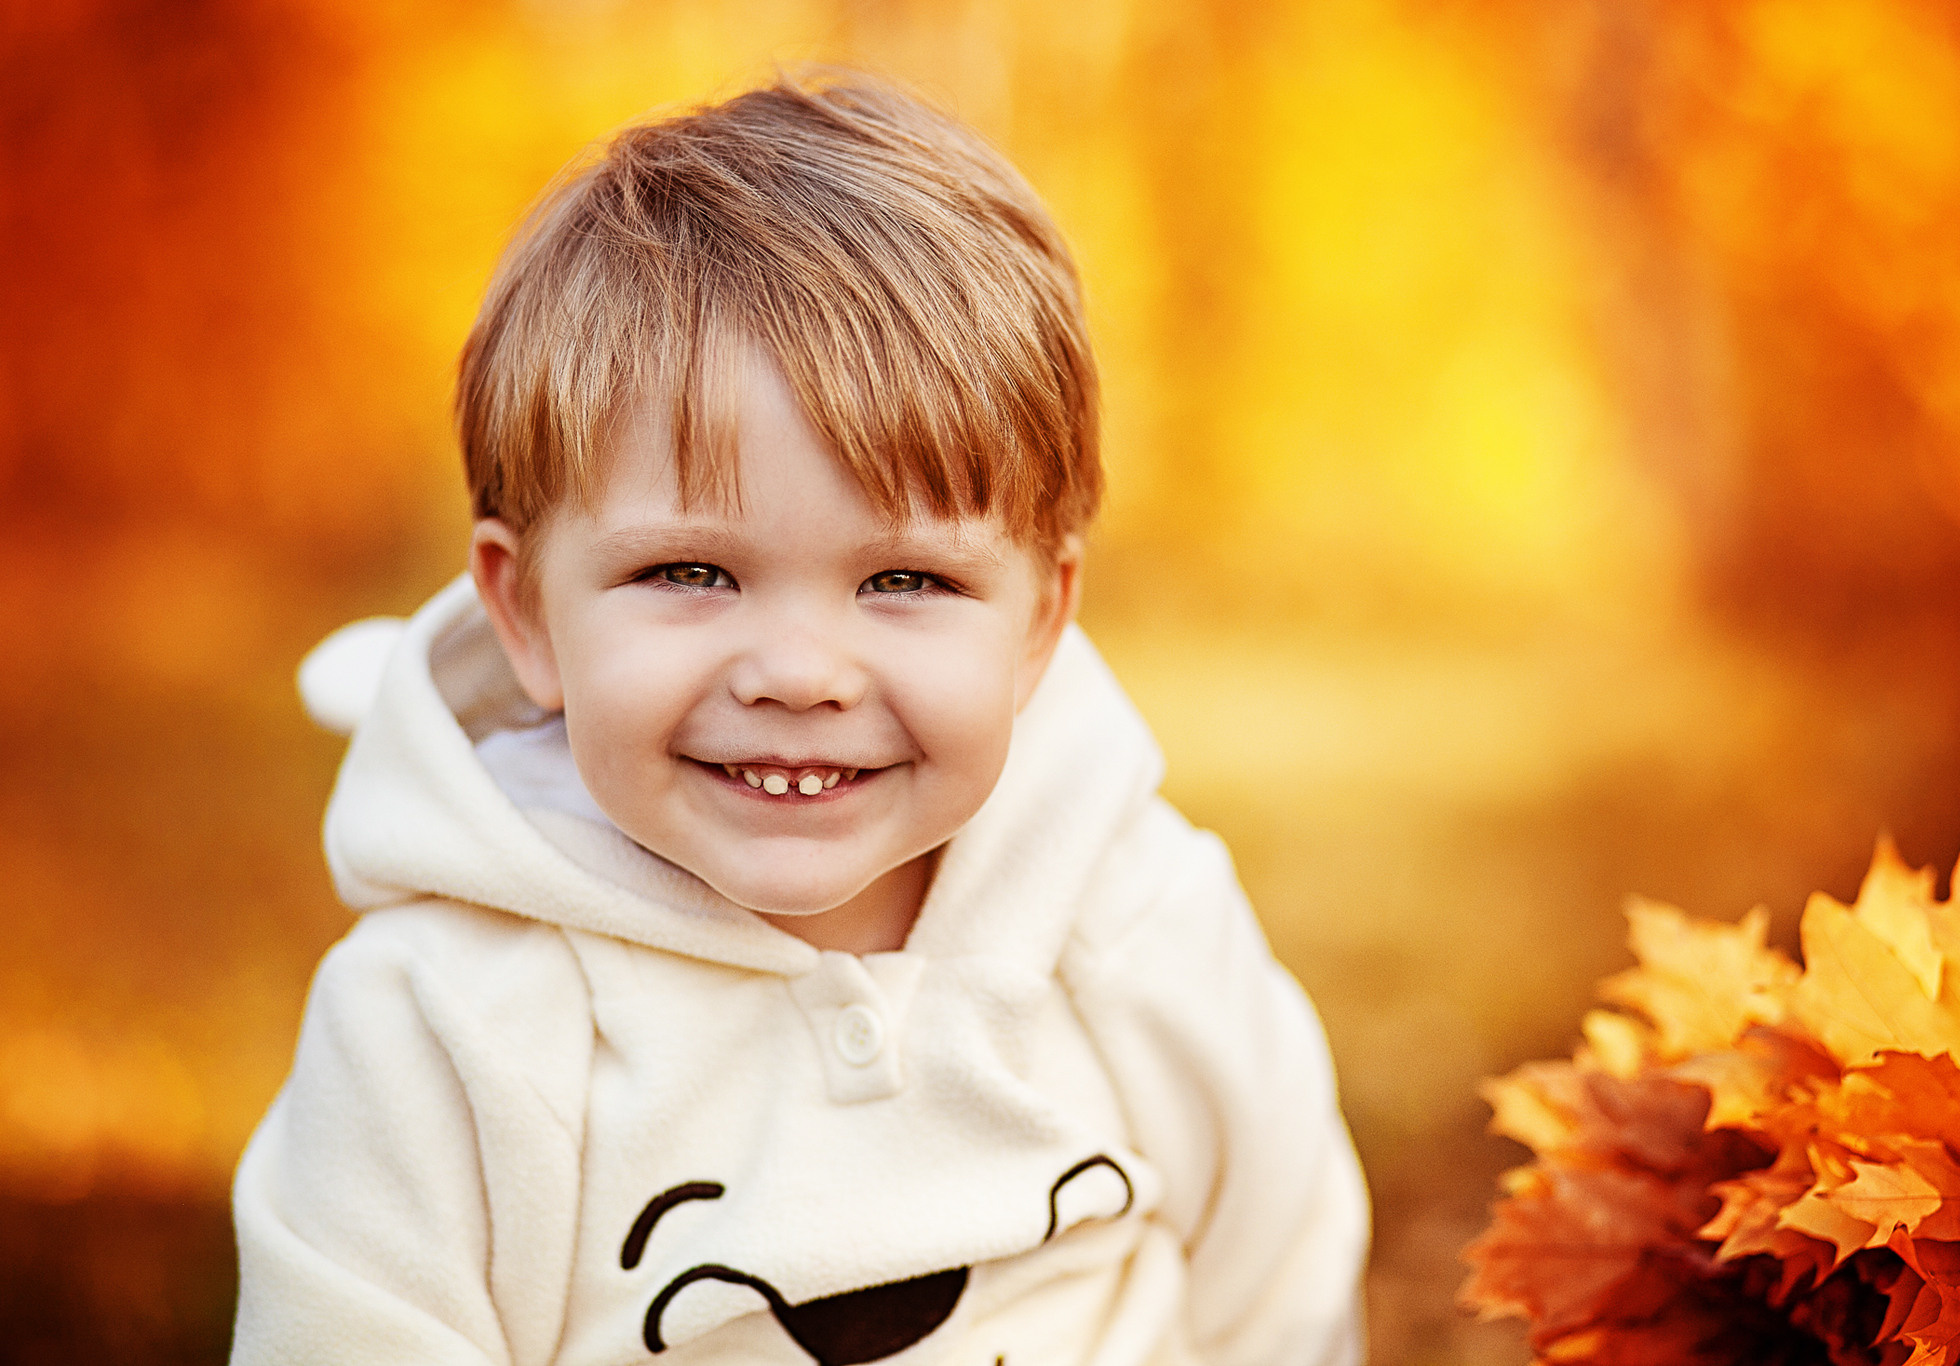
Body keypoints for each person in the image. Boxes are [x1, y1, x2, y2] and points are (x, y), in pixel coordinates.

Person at [230, 73, 1368, 1366]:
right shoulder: (441, 1020)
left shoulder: (1130, 909)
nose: (798, 672)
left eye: (905, 580)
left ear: (1040, 622)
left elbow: (1277, 1275)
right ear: (528, 614)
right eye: (690, 572)